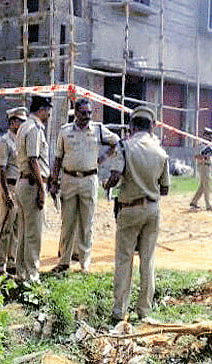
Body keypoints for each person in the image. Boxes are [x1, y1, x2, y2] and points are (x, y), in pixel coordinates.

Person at [103, 106, 170, 322]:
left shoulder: (125, 146)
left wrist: (107, 184)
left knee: (124, 260)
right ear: (151, 127)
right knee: (147, 261)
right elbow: (165, 188)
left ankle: (119, 311)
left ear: (132, 126)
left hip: (129, 208)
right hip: (152, 208)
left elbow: (115, 176)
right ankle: (144, 310)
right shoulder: (161, 152)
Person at [49, 98, 119, 273]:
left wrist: (104, 158)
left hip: (89, 180)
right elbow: (58, 158)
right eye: (83, 113)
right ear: (75, 112)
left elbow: (117, 142)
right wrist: (54, 181)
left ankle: (84, 263)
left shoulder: (98, 130)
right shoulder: (65, 132)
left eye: (89, 113)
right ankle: (64, 262)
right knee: (68, 223)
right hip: (69, 180)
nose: (86, 116)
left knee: (87, 223)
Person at [15, 94, 52, 283]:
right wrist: (41, 188)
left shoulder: (24, 126)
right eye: (48, 110)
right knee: (33, 234)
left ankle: (21, 273)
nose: (49, 114)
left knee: (23, 232)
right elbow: (33, 159)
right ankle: (32, 276)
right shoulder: (35, 128)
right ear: (42, 109)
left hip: (23, 183)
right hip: (31, 184)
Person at [0, 107, 27, 276]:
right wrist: (6, 193)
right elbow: (1, 169)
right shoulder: (4, 141)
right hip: (9, 185)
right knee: (5, 226)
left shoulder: (20, 140)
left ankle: (12, 260)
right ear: (13, 122)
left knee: (16, 226)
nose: (21, 124)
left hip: (19, 186)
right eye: (20, 121)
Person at [190, 128, 212, 211]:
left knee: (202, 186)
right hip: (204, 166)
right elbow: (196, 156)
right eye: (209, 137)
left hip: (208, 166)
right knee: (207, 185)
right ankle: (208, 205)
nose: (211, 139)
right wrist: (204, 157)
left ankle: (194, 202)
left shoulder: (208, 146)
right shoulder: (201, 145)